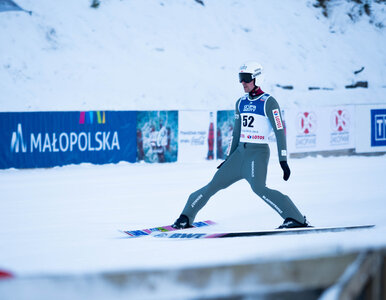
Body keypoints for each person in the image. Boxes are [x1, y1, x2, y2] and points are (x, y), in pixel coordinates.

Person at [172, 61, 309, 229]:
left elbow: (280, 131)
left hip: (257, 153)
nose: (242, 83)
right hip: (239, 154)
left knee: (259, 189)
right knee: (212, 185)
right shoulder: (240, 102)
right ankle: (186, 217)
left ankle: (295, 218)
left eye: (246, 78)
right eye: (240, 79)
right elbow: (236, 133)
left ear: (257, 79)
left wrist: (283, 160)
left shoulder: (269, 102)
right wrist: (228, 159)